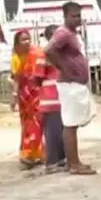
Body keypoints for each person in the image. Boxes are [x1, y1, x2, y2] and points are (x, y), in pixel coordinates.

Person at [44, 2, 96, 175]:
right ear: (65, 16)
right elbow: (49, 50)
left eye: (79, 15)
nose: (77, 19)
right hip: (69, 84)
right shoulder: (63, 33)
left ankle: (74, 161)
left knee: (73, 123)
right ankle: (73, 164)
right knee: (70, 124)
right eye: (73, 16)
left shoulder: (73, 33)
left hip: (76, 84)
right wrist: (64, 68)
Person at [10, 30, 46, 167]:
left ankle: (33, 154)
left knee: (37, 123)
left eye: (28, 39)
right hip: (24, 96)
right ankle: (30, 153)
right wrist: (14, 96)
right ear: (17, 42)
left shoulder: (36, 54)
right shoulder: (16, 56)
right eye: (23, 40)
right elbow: (16, 78)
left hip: (37, 94)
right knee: (26, 124)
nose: (27, 42)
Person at [36, 25, 65, 172]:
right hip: (50, 98)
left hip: (63, 97)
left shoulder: (65, 53)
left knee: (63, 130)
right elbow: (37, 76)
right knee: (52, 132)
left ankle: (62, 159)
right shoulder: (44, 54)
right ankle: (52, 162)